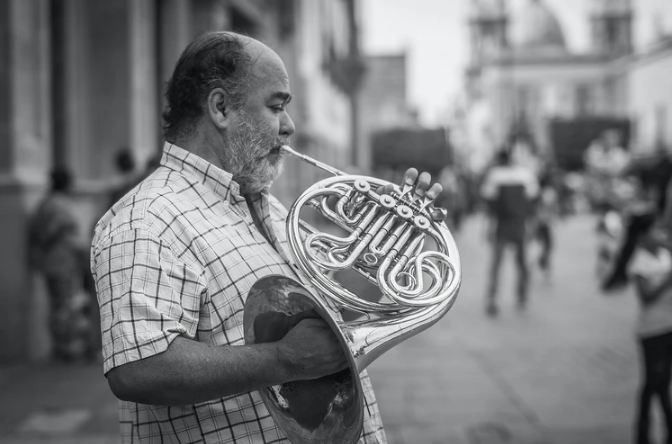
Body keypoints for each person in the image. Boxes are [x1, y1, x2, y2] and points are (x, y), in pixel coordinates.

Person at [90, 31, 442, 443]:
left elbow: (326, 316)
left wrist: (394, 244)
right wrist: (283, 360)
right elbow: (139, 370)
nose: (290, 127)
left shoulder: (266, 205)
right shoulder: (146, 219)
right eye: (277, 107)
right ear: (220, 108)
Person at [29, 167, 98, 361]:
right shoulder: (60, 206)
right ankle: (66, 348)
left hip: (53, 262)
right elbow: (65, 235)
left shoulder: (45, 203)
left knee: (61, 304)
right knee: (66, 305)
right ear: (66, 183)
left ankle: (63, 346)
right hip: (63, 262)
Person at [628, 188, 672, 444]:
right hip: (652, 329)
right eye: (656, 229)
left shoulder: (665, 254)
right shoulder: (640, 260)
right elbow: (646, 295)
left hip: (669, 326)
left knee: (661, 382)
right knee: (653, 382)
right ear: (644, 234)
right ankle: (645, 431)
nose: (662, 234)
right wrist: (668, 278)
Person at [480, 148, 539, 316]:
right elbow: (532, 200)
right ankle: (522, 297)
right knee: (522, 264)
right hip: (520, 224)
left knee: (496, 265)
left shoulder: (494, 175)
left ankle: (493, 298)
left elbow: (488, 202)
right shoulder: (526, 174)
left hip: (502, 225)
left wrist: (488, 226)